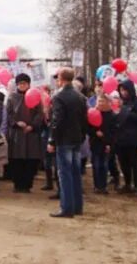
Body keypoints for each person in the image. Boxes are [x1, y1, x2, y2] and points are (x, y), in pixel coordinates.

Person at [47, 67, 88, 218]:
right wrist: (82, 135)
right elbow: (85, 119)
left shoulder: (59, 97)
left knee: (64, 173)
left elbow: (57, 120)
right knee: (75, 172)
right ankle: (77, 206)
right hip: (77, 138)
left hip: (64, 139)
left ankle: (67, 208)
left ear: (61, 79)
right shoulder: (80, 97)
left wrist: (52, 139)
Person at [6, 74, 44, 193]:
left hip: (31, 133)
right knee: (17, 160)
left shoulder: (35, 96)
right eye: (20, 83)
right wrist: (16, 123)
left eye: (25, 83)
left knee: (30, 160)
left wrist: (32, 125)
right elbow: (8, 114)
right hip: (17, 133)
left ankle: (27, 185)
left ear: (28, 84)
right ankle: (18, 184)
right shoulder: (12, 97)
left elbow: (39, 114)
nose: (22, 86)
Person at [113, 79, 137, 196]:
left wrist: (127, 113)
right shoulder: (121, 102)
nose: (123, 93)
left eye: (125, 90)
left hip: (133, 138)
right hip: (120, 137)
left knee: (134, 163)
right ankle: (127, 183)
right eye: (121, 90)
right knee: (123, 163)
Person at [88, 95, 116, 194]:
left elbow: (113, 131)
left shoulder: (111, 115)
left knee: (104, 165)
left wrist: (108, 143)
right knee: (96, 164)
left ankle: (103, 186)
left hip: (106, 144)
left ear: (107, 102)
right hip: (95, 142)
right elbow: (89, 127)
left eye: (103, 101)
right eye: (99, 101)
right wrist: (95, 132)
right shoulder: (93, 113)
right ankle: (97, 185)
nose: (100, 103)